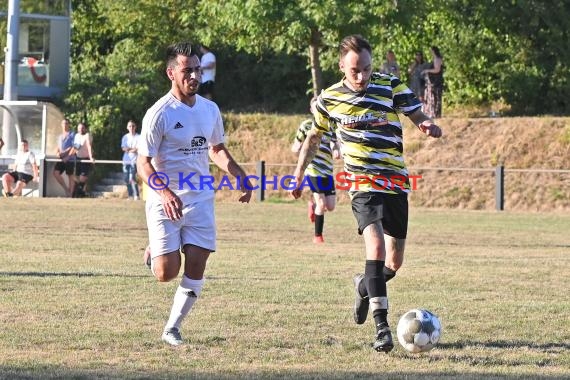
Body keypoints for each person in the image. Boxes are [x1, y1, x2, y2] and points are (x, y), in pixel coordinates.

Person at [290, 35, 442, 353]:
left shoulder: (390, 85)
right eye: (355, 70)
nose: (362, 77)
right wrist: (298, 175)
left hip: (395, 182)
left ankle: (364, 285)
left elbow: (416, 113)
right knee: (374, 247)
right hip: (362, 183)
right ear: (342, 67)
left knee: (394, 262)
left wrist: (427, 125)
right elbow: (313, 140)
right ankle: (382, 327)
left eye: (367, 69)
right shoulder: (329, 99)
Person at [137, 41, 253, 346]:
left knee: (198, 261)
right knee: (166, 273)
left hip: (200, 195)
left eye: (197, 70)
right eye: (187, 70)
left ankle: (172, 328)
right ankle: (155, 250)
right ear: (171, 73)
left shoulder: (210, 109)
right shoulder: (158, 113)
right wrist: (163, 193)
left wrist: (238, 173)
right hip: (165, 199)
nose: (194, 76)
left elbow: (216, 149)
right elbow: (143, 163)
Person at [291, 97, 340, 243]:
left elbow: (335, 143)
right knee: (322, 204)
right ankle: (318, 237)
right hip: (312, 169)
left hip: (327, 170)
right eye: (315, 107)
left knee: (330, 206)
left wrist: (337, 150)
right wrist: (298, 149)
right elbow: (295, 145)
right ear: (311, 110)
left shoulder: (331, 125)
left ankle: (311, 204)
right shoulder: (306, 126)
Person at [70, 122, 94, 198]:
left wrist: (91, 158)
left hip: (85, 159)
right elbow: (76, 147)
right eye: (79, 128)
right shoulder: (76, 136)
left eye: (82, 128)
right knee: (76, 178)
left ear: (85, 128)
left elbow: (89, 146)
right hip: (78, 159)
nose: (80, 129)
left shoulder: (87, 135)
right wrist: (69, 156)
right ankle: (79, 194)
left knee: (82, 178)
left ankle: (78, 194)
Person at [53, 118, 76, 197]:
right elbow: (58, 147)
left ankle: (70, 194)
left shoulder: (72, 134)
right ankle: (66, 190)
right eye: (63, 123)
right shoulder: (59, 136)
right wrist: (57, 153)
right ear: (61, 125)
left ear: (69, 125)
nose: (65, 125)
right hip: (61, 158)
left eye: (66, 123)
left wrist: (68, 156)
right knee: (56, 173)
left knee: (70, 175)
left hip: (70, 159)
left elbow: (74, 147)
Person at [421, 46, 444, 118]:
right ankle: (433, 113)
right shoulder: (435, 59)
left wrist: (427, 70)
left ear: (434, 51)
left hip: (436, 81)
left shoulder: (437, 59)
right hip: (433, 82)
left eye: (431, 51)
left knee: (436, 97)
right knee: (432, 97)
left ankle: (436, 114)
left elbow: (437, 70)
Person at [121, 120, 141, 200]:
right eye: (130, 126)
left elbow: (138, 149)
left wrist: (131, 149)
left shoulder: (139, 137)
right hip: (126, 161)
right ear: (127, 127)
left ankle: (136, 195)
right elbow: (123, 148)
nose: (131, 127)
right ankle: (130, 195)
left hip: (135, 160)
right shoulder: (125, 137)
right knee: (126, 179)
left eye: (133, 126)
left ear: (135, 127)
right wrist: (130, 149)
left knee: (132, 178)